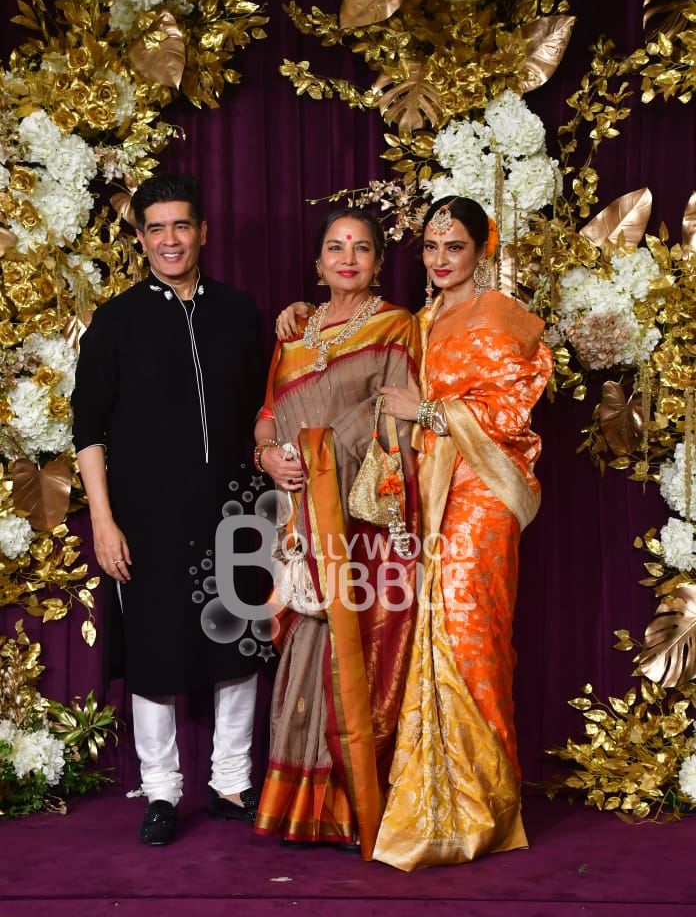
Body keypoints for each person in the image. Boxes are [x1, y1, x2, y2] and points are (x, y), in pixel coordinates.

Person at [276, 196, 552, 870]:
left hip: (480, 493)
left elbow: (510, 413)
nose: (440, 259)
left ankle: (482, 809)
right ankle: (428, 803)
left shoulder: (500, 315)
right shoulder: (419, 322)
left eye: (454, 247)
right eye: (430, 247)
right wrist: (303, 314)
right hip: (424, 495)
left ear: (482, 250)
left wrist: (427, 409)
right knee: (422, 632)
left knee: (469, 633)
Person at [72, 173, 265, 846]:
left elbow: (267, 409)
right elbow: (88, 430)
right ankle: (161, 790)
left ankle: (231, 782)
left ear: (203, 232)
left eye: (181, 225)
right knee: (153, 653)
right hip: (144, 520)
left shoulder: (239, 312)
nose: (170, 240)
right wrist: (103, 521)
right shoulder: (116, 321)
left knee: (237, 646)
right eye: (156, 229)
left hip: (234, 511)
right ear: (142, 239)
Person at [253, 208, 421, 859]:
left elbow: (397, 417)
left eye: (361, 248)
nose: (347, 259)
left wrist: (325, 459)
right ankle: (299, 802)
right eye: (335, 247)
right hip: (299, 515)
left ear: (377, 262)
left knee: (353, 647)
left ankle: (351, 805)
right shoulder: (294, 332)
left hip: (360, 519)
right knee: (305, 642)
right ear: (318, 262)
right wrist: (268, 455)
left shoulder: (395, 325)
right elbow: (269, 414)